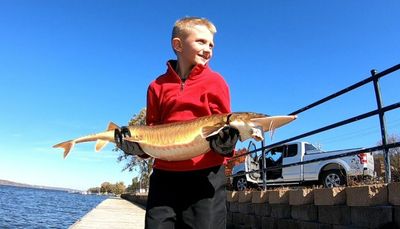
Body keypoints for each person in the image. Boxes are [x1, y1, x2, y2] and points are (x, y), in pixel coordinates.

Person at [115, 16, 239, 229]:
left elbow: (224, 125)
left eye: (211, 44)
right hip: (164, 178)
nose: (208, 49)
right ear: (178, 45)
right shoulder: (156, 86)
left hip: (205, 177)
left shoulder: (217, 82)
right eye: (201, 42)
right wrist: (138, 147)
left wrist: (226, 144)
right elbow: (153, 130)